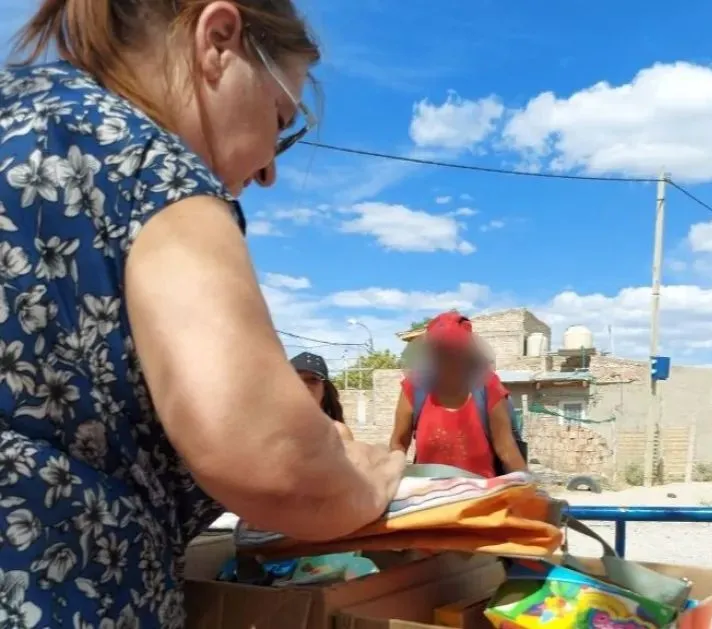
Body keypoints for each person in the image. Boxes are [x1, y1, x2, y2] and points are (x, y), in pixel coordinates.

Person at [0, 1, 405, 626]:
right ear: (217, 39)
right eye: (281, 117)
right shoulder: (147, 165)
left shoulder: (20, 112)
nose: (270, 168)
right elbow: (274, 461)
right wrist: (367, 480)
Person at [389, 311, 528, 478]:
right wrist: (391, 477)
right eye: (441, 350)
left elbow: (506, 449)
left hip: (481, 495)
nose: (449, 358)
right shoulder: (414, 388)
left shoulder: (488, 387)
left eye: (455, 350)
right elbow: (398, 444)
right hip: (428, 495)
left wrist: (528, 488)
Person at [292, 351, 354, 440]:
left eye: (313, 380)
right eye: (296, 379)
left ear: (325, 389)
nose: (304, 385)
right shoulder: (270, 428)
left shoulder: (338, 433)